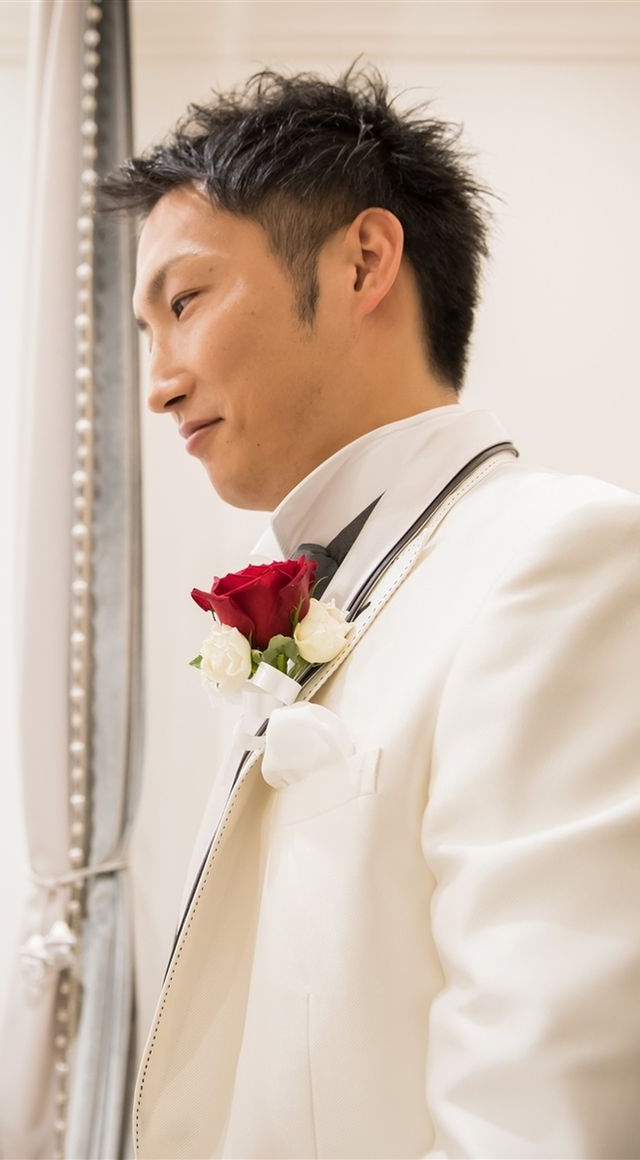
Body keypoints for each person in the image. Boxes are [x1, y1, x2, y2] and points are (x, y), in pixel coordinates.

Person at [101, 67, 640, 1157]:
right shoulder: (316, 581)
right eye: (146, 329)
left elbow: (537, 1111)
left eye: (186, 301)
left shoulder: (562, 558)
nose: (158, 381)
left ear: (362, 262)